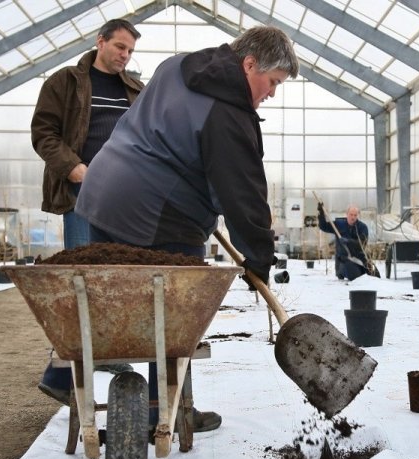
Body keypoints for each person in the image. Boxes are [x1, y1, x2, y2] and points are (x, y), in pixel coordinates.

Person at [75, 25, 299, 432]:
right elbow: (242, 194)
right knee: (176, 319)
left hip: (102, 191)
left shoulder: (179, 65)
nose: (272, 93)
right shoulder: (228, 112)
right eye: (273, 82)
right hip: (159, 212)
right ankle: (167, 411)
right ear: (249, 65)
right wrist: (260, 258)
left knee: (104, 300)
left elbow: (169, 134)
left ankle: (63, 372)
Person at [31, 18, 143, 404]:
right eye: (120, 47)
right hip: (81, 196)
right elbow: (44, 133)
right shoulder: (65, 83)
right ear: (100, 42)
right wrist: (75, 168)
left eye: (130, 51)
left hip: (123, 202)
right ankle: (62, 370)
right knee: (83, 282)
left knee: (117, 281)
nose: (125, 56)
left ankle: (106, 356)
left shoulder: (135, 90)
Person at [317, 203, 369, 281]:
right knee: (354, 275)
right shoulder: (339, 224)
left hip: (358, 259)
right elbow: (323, 226)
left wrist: (348, 241)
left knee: (372, 276)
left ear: (358, 215)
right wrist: (321, 213)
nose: (353, 217)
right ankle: (341, 272)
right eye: (351, 215)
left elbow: (362, 243)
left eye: (355, 215)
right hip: (343, 260)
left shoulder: (362, 227)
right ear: (347, 214)